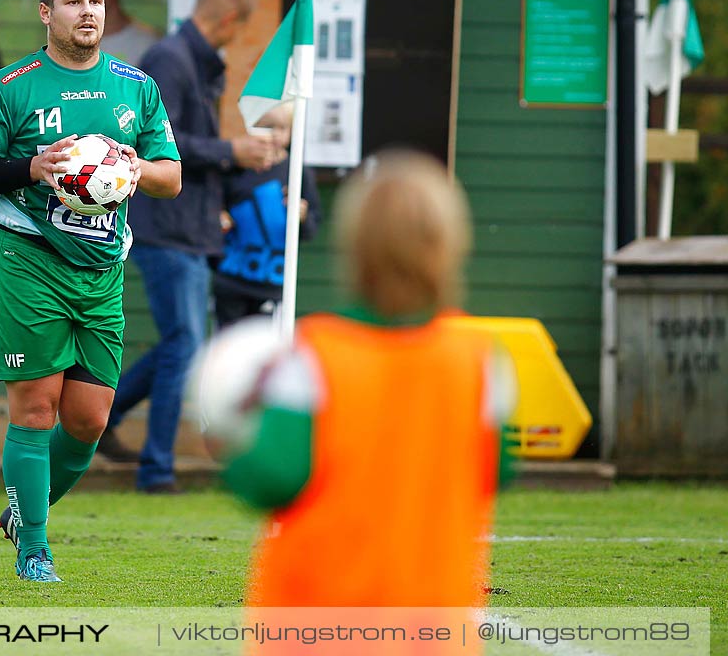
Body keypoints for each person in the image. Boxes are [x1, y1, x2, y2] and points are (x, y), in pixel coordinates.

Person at [0, 0, 182, 583]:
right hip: (30, 260)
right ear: (47, 12)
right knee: (35, 408)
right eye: (75, 1)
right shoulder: (11, 86)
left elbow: (171, 176)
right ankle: (34, 553)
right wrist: (33, 167)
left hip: (102, 269)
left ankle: (25, 510)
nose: (89, 13)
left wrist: (134, 169)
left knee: (88, 421)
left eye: (97, 2)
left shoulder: (137, 87)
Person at [220, 151, 517, 609]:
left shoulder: (314, 354)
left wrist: (231, 438)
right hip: (435, 615)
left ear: (355, 250)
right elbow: (496, 470)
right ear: (451, 248)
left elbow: (269, 480)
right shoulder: (481, 361)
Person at [98, 0, 279, 491]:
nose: (234, 41)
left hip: (190, 228)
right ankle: (156, 471)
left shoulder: (191, 62)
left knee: (183, 343)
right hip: (165, 228)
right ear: (226, 21)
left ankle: (108, 420)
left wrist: (219, 191)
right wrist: (232, 153)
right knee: (186, 343)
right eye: (238, 31)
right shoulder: (170, 61)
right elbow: (160, 149)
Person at [212, 105, 322, 330]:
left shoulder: (297, 171)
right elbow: (215, 205)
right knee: (228, 344)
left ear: (292, 132)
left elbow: (312, 226)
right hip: (231, 277)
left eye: (281, 128)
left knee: (264, 347)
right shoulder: (236, 167)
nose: (273, 134)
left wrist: (302, 215)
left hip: (272, 281)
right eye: (265, 127)